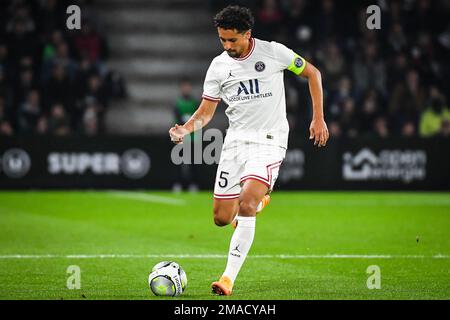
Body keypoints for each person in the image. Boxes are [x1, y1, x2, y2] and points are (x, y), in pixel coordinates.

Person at [168, 5, 328, 296]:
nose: (227, 46)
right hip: (235, 143)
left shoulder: (274, 53)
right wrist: (186, 128)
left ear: (248, 34)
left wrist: (318, 117)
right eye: (222, 40)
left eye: (232, 40)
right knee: (221, 218)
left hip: (269, 140)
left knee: (246, 205)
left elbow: (313, 74)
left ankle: (227, 278)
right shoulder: (218, 67)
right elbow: (205, 112)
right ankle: (259, 202)